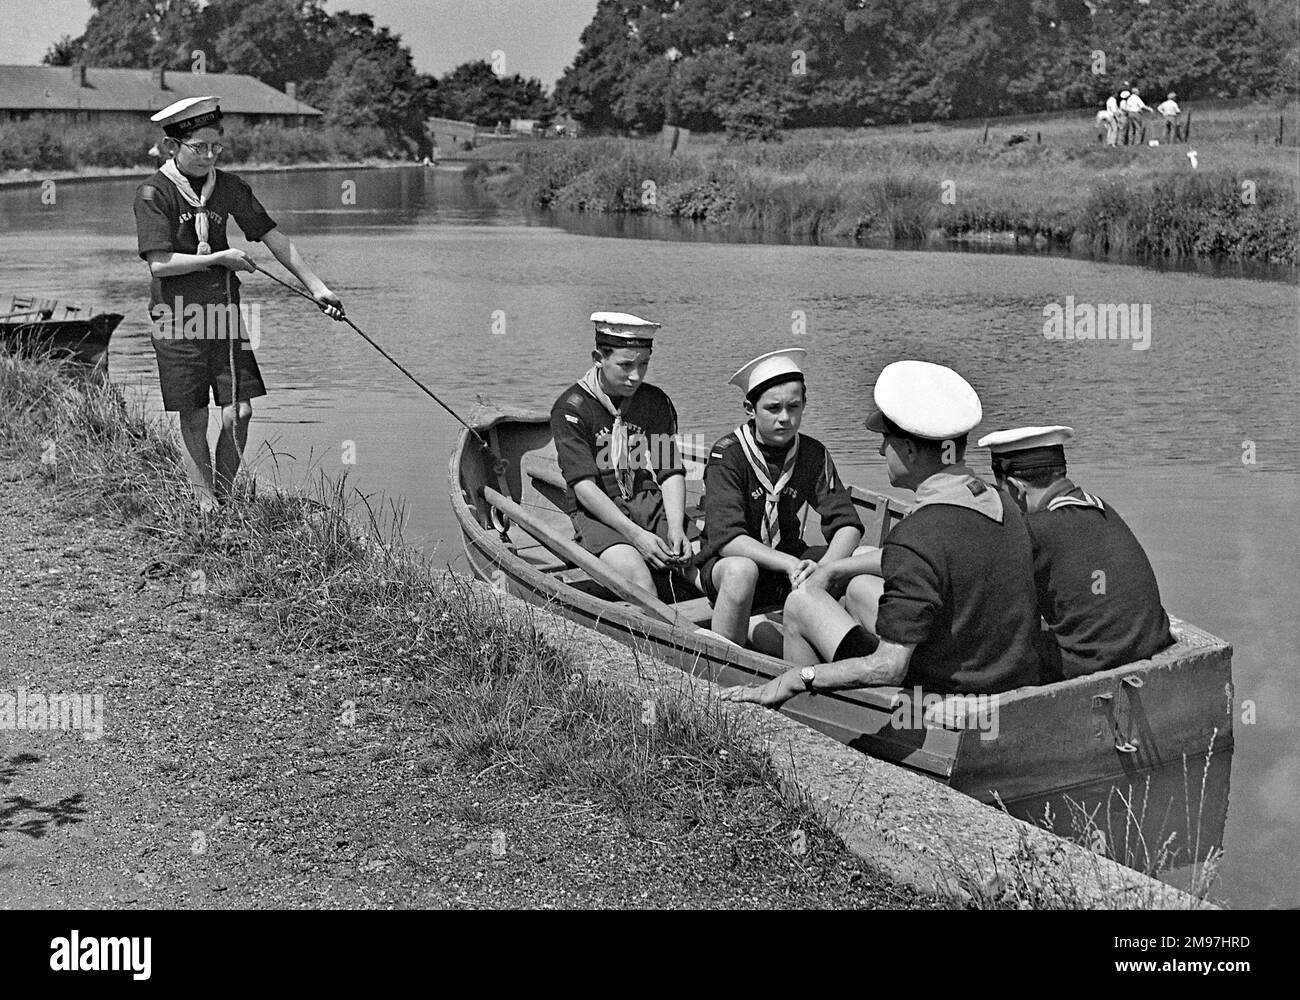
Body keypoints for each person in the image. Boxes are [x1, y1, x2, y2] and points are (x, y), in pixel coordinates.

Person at [720, 360, 1041, 708]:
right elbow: (930, 560)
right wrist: (836, 568)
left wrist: (801, 679)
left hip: (936, 688)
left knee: (800, 603)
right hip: (996, 671)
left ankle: (803, 713)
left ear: (910, 450)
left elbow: (889, 666)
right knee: (858, 586)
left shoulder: (919, 533)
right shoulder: (1001, 502)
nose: (879, 451)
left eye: (886, 441)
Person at [133, 96, 344, 511]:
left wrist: (318, 288)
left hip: (223, 314)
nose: (209, 156)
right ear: (173, 145)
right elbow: (159, 264)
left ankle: (226, 499)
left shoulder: (229, 187)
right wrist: (219, 258)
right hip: (175, 318)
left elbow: (273, 237)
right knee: (194, 414)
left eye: (216, 147)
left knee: (240, 411)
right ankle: (205, 505)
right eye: (200, 148)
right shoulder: (153, 193)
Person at [695, 348, 863, 647]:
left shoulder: (812, 453)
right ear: (750, 408)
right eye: (773, 409)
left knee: (864, 558)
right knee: (741, 570)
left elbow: (847, 524)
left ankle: (857, 655)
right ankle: (724, 664)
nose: (785, 418)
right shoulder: (728, 455)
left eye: (794, 407)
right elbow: (728, 539)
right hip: (729, 566)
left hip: (789, 563)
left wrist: (827, 570)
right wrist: (788, 563)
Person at [979, 425, 1174, 680]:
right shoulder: (1102, 507)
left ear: (1016, 489)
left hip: (1089, 663)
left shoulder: (1031, 530)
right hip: (1149, 642)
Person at [550, 312, 692, 595]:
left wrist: (676, 527)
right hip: (598, 513)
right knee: (640, 580)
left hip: (648, 503)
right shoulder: (572, 409)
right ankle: (656, 637)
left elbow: (669, 469)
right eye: (626, 365)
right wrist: (636, 536)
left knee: (706, 563)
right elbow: (584, 487)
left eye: (644, 364)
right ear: (598, 358)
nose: (636, 376)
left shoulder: (654, 401)